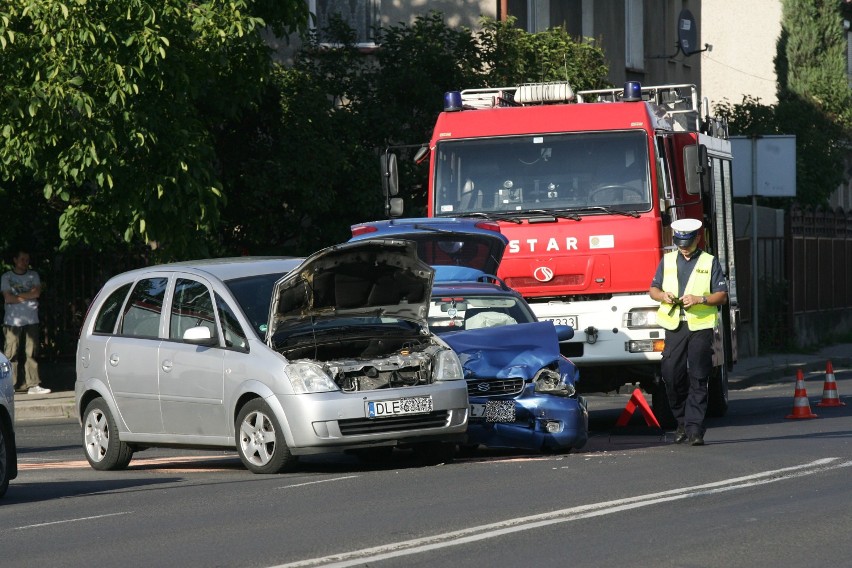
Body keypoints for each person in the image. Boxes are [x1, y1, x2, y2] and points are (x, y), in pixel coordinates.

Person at [649, 218, 727, 446]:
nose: (683, 247)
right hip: (674, 325)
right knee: (671, 375)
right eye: (679, 242)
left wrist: (700, 298)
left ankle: (695, 429)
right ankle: (682, 421)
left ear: (698, 239)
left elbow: (721, 296)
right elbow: (653, 289)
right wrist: (662, 295)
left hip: (700, 325)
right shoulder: (668, 260)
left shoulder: (709, 261)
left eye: (687, 243)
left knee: (699, 376)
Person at [2, 248, 50, 394]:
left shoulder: (33, 275)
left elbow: (37, 292)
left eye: (27, 260)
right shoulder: (6, 277)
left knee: (32, 352)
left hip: (31, 319)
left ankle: (33, 384)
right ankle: (9, 385)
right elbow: (8, 298)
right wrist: (28, 295)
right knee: (11, 353)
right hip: (12, 320)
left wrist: (18, 297)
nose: (25, 263)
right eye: (22, 259)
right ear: (15, 260)